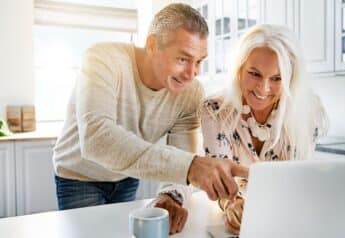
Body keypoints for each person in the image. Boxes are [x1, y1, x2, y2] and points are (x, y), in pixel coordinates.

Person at [53, 3, 248, 213]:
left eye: (199, 61)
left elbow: (182, 153)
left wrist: (171, 196)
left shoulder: (191, 93)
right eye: (183, 59)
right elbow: (96, 139)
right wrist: (191, 166)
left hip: (126, 174)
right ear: (153, 45)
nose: (191, 74)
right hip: (79, 175)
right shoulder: (103, 59)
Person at [157, 23, 329, 235]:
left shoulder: (308, 111)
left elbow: (300, 181)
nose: (263, 88)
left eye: (277, 78)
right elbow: (220, 179)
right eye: (254, 74)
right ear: (239, 69)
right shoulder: (215, 110)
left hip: (287, 218)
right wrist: (232, 205)